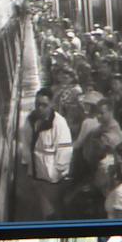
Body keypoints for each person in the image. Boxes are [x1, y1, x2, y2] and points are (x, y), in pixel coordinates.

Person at [20, 88, 73, 216]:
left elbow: (65, 151)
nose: (40, 108)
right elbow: (26, 142)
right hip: (36, 174)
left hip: (51, 179)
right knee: (43, 206)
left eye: (44, 105)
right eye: (37, 104)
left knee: (55, 206)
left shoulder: (59, 124)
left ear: (52, 105)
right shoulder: (30, 119)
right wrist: (28, 164)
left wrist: (56, 173)